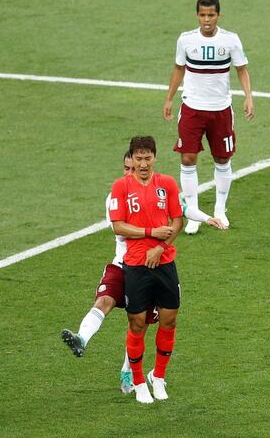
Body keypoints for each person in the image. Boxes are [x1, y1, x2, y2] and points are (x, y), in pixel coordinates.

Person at [61, 151, 225, 395]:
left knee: (141, 324)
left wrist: (206, 217)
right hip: (123, 264)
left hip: (149, 267)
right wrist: (152, 231)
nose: (132, 171)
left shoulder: (156, 188)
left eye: (134, 166)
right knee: (104, 300)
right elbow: (122, 230)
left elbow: (180, 208)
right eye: (127, 168)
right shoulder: (116, 196)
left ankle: (128, 371)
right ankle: (82, 339)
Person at [163, 0, 254, 235]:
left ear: (218, 15)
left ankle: (220, 209)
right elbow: (178, 69)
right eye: (202, 15)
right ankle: (193, 212)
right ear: (197, 15)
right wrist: (169, 98)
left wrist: (248, 96)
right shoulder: (186, 40)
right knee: (187, 158)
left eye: (211, 15)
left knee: (222, 159)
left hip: (221, 110)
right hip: (192, 108)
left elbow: (242, 70)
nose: (206, 19)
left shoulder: (230, 40)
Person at [109, 136, 184, 404]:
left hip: (164, 263)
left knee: (169, 319)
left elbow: (177, 221)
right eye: (138, 158)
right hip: (136, 265)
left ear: (154, 158)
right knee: (137, 323)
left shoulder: (167, 184)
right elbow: (118, 225)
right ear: (132, 158)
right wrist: (150, 233)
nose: (143, 163)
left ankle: (159, 378)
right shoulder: (120, 187)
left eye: (147, 158)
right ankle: (139, 382)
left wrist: (160, 248)